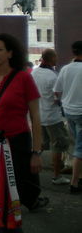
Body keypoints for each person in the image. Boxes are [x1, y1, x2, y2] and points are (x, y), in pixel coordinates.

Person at [0, 33, 46, 233]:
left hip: (15, 147)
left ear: (10, 53)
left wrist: (36, 152)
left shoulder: (23, 78)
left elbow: (36, 118)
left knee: (7, 200)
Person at [31, 48, 70, 185]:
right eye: (55, 57)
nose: (57, 59)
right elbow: (57, 97)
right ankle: (56, 176)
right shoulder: (53, 76)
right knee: (58, 146)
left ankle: (29, 170)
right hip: (53, 117)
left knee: (40, 146)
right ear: (51, 59)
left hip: (39, 115)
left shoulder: (34, 73)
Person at [54, 40, 82, 194]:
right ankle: (75, 183)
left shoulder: (65, 69)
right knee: (80, 148)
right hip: (81, 112)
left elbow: (57, 91)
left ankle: (77, 176)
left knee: (77, 144)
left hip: (69, 111)